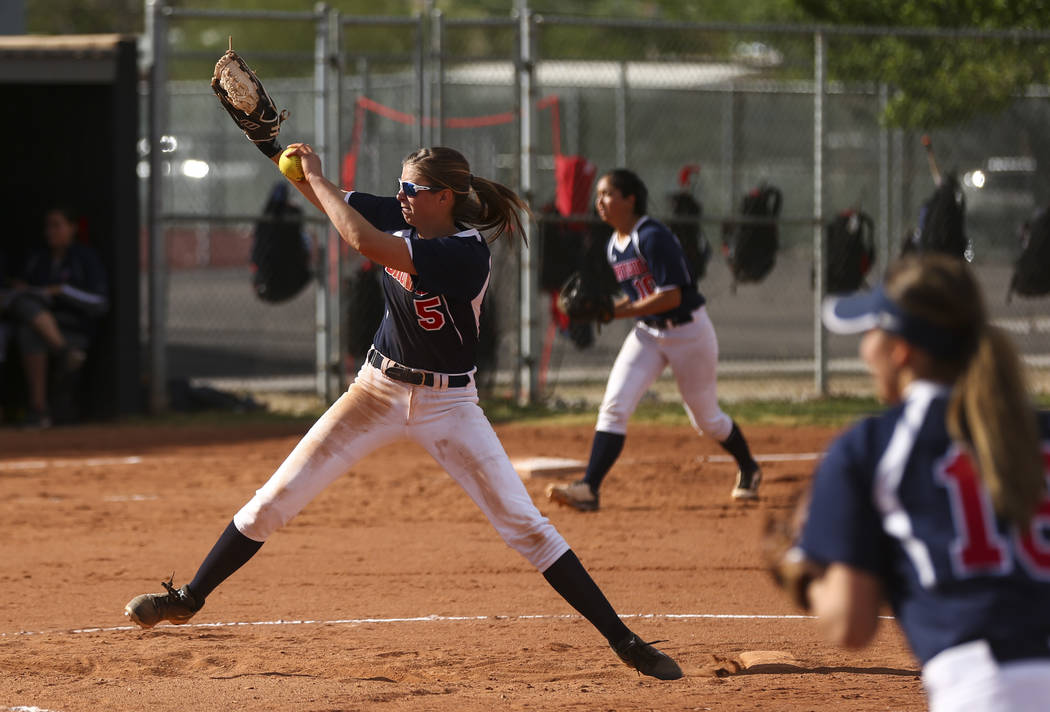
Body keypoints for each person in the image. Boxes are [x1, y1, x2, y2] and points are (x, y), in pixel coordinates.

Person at [123, 145, 682, 681]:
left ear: (444, 196)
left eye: (411, 189)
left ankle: (624, 640)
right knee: (274, 500)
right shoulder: (407, 214)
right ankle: (189, 599)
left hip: (450, 405)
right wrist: (275, 149)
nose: (402, 197)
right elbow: (332, 202)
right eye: (401, 188)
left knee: (526, 528)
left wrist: (314, 177)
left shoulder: (464, 253)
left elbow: (362, 240)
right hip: (375, 392)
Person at [789, 253, 1050, 711]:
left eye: (872, 332)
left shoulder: (873, 446)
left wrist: (800, 575)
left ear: (901, 351)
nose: (865, 348)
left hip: (986, 691)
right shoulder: (1038, 431)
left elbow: (850, 624)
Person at [546, 169, 762, 511]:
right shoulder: (614, 246)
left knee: (706, 418)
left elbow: (671, 297)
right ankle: (589, 488)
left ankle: (749, 468)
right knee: (614, 405)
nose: (600, 202)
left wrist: (608, 313)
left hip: (689, 333)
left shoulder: (652, 236)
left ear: (630, 199)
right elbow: (638, 299)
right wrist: (605, 307)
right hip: (647, 334)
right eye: (599, 195)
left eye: (607, 194)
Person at [7, 206, 108, 427]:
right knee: (27, 323)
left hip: (74, 326)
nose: (50, 232)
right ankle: (40, 407)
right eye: (48, 226)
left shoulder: (84, 258)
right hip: (39, 327)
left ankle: (62, 353)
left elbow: (100, 303)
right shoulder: (38, 258)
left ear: (72, 228)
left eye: (57, 225)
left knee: (30, 328)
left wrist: (61, 291)